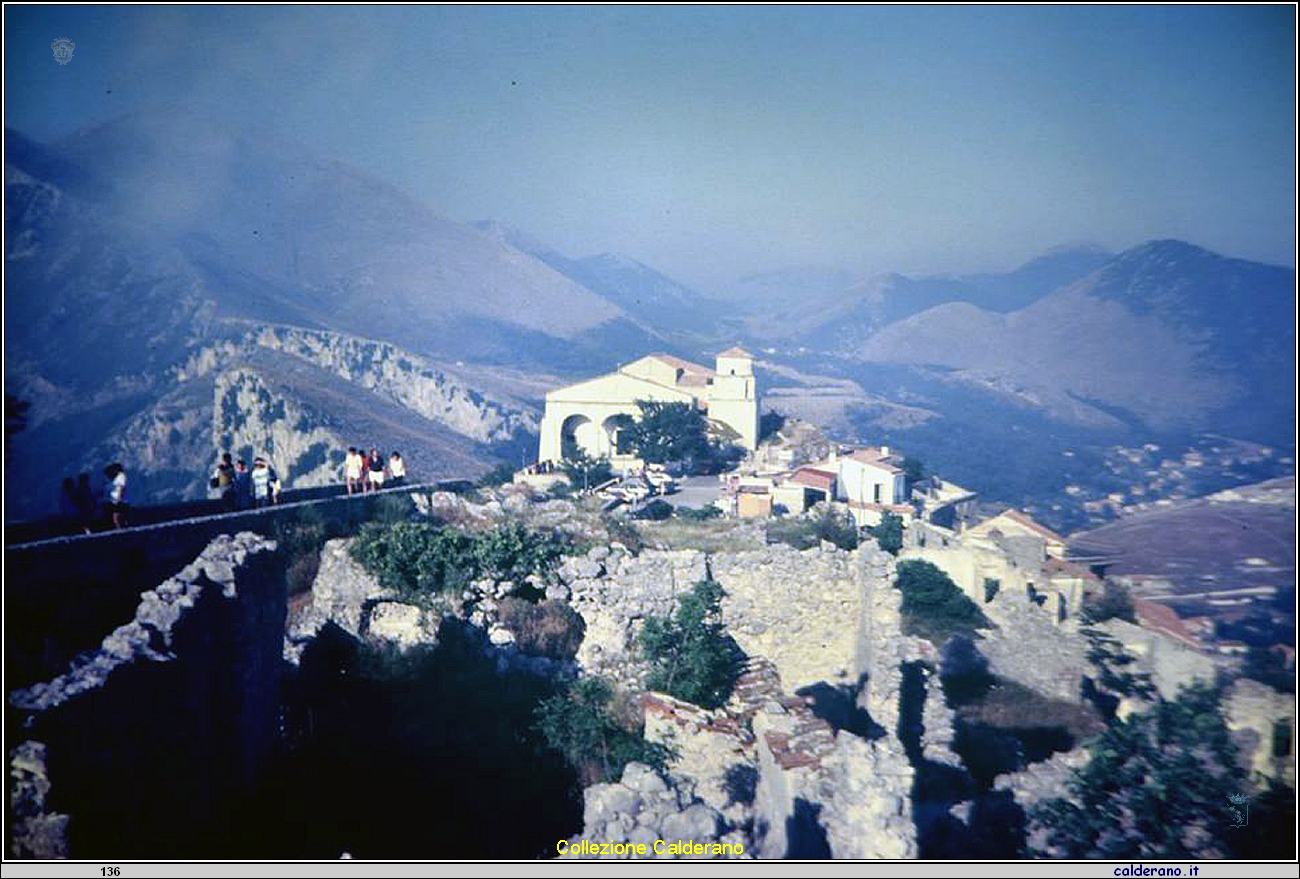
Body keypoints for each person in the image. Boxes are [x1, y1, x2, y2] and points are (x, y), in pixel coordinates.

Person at [103, 462, 128, 529]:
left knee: (117, 517)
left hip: (118, 500)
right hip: (115, 500)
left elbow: (121, 488)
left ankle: (120, 530)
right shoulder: (116, 477)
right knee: (116, 516)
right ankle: (121, 529)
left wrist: (119, 498)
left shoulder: (121, 476)